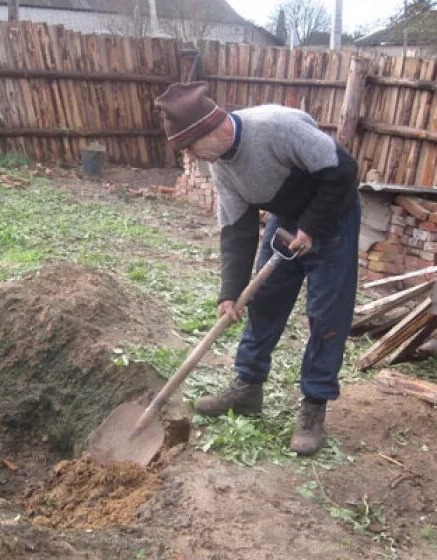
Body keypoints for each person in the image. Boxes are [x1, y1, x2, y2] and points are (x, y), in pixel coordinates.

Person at [154, 81, 360, 456]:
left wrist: (311, 226)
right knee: (264, 302)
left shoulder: (275, 127)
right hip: (286, 218)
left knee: (326, 315)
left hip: (334, 217)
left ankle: (314, 405)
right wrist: (230, 293)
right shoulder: (220, 166)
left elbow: (343, 171)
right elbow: (236, 229)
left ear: (210, 129)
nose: (193, 157)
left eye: (190, 147)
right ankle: (248, 389)